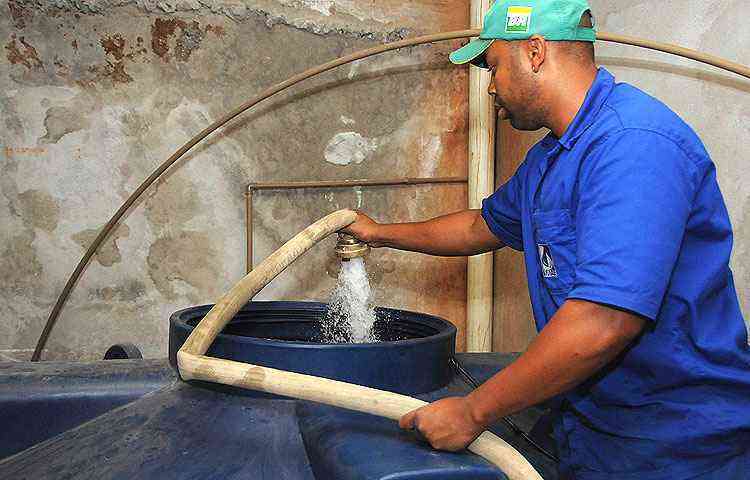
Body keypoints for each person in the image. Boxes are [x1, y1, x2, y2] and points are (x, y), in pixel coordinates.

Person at [340, 1, 750, 479]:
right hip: (593, 422)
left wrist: (472, 412)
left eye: (493, 66)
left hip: (678, 439)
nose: (491, 86)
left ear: (534, 52)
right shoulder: (552, 156)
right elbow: (480, 227)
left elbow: (603, 321)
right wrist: (379, 233)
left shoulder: (634, 145)